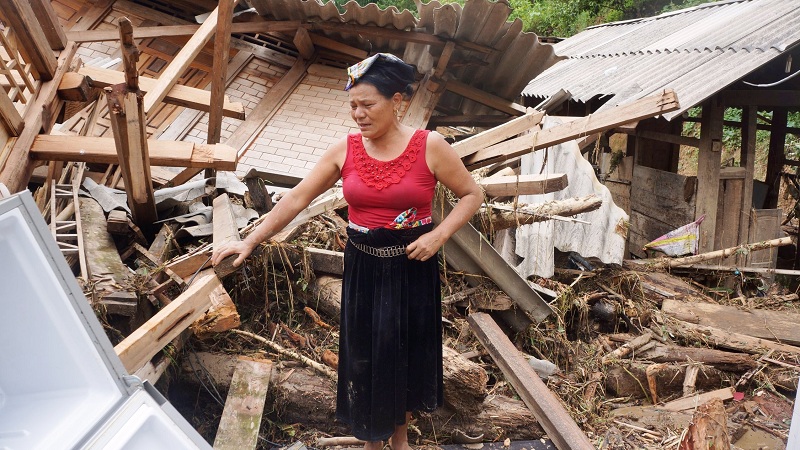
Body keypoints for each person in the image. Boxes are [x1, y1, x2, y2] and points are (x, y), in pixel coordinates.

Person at [211, 53, 483, 450]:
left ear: (397, 101)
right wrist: (250, 239)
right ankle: (375, 443)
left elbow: (472, 194)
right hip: (364, 271)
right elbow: (298, 197)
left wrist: (438, 236)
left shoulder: (430, 146)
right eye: (352, 105)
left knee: (403, 355)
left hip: (411, 269)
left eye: (368, 104)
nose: (358, 114)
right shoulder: (346, 149)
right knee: (366, 358)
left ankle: (400, 443)